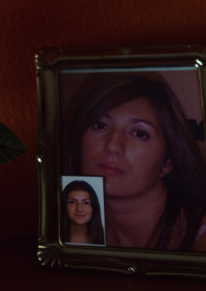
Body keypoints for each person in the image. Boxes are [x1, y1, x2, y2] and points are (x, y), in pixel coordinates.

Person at [64, 74, 206, 251]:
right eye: (100, 125)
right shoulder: (63, 226)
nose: (112, 146)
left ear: (168, 162)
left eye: (140, 134)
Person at [62, 180, 105, 245]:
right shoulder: (52, 239)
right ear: (64, 206)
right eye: (72, 202)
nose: (79, 209)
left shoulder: (106, 238)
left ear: (94, 207)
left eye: (86, 203)